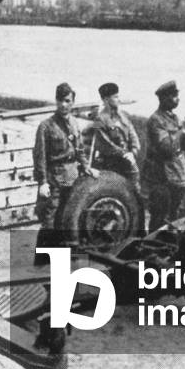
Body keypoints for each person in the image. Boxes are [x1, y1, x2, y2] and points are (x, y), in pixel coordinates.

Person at [32, 83, 96, 263]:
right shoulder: (46, 126)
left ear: (73, 102)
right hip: (54, 180)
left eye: (67, 101)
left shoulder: (75, 123)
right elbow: (40, 156)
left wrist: (86, 166)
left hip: (72, 178)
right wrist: (42, 182)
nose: (63, 105)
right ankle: (41, 261)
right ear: (56, 101)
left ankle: (62, 259)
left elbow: (80, 150)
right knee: (50, 222)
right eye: (60, 100)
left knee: (68, 219)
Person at [143, 80, 185, 232]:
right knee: (159, 219)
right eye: (174, 96)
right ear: (164, 99)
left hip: (176, 176)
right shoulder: (155, 120)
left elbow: (184, 146)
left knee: (174, 219)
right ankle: (152, 250)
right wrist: (183, 130)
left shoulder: (174, 118)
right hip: (162, 178)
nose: (177, 99)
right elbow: (167, 148)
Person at [89, 82, 141, 192]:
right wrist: (124, 153)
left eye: (118, 96)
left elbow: (133, 135)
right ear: (106, 100)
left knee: (135, 191)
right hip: (111, 164)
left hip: (128, 161)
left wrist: (133, 151)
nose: (119, 99)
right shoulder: (99, 120)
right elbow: (104, 144)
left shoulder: (124, 116)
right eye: (115, 97)